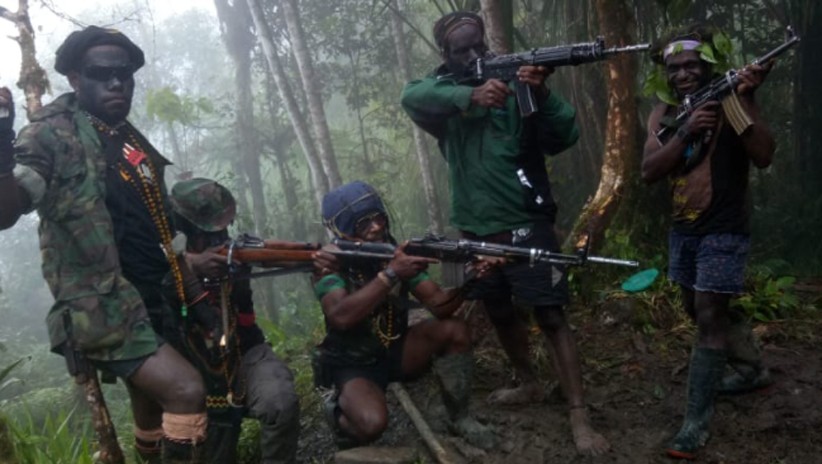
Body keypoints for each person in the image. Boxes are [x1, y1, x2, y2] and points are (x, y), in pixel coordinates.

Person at [400, 11, 609, 456]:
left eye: (480, 46)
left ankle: (578, 413)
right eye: (463, 51)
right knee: (497, 309)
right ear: (446, 55)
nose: (475, 55)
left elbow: (565, 133)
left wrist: (540, 92)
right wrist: (470, 96)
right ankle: (529, 382)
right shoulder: (446, 96)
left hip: (526, 222)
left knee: (551, 315)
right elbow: (410, 95)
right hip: (474, 227)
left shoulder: (515, 82)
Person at [0, 27, 208, 463]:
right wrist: (1, 144)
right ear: (76, 78)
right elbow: (7, 210)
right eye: (101, 73)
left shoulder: (130, 139)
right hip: (100, 307)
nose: (116, 82)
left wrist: (193, 293)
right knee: (186, 390)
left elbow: (161, 228)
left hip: (153, 296)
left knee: (150, 405)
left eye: (125, 74)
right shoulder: (51, 135)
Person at [640, 25, 775, 460]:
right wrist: (684, 132)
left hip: (724, 227)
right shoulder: (664, 113)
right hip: (684, 229)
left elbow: (764, 154)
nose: (683, 74)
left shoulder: (730, 102)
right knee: (693, 306)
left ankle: (694, 425)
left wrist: (747, 98)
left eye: (692, 65)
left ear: (708, 66)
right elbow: (648, 171)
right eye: (674, 67)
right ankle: (752, 367)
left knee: (708, 313)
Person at [311, 181, 495, 449]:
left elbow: (439, 305)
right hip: (354, 362)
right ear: (345, 230)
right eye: (363, 223)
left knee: (454, 330)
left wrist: (470, 280)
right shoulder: (329, 264)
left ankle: (459, 416)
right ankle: (335, 411)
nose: (376, 227)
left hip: (395, 349)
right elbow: (340, 316)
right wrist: (391, 275)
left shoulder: (393, 253)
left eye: (378, 218)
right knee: (372, 425)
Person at [163, 177, 300, 464]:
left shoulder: (230, 252)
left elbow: (277, 253)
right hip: (192, 373)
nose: (218, 237)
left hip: (243, 352)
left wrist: (317, 258)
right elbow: (152, 283)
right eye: (208, 232)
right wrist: (191, 268)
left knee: (279, 399)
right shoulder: (160, 263)